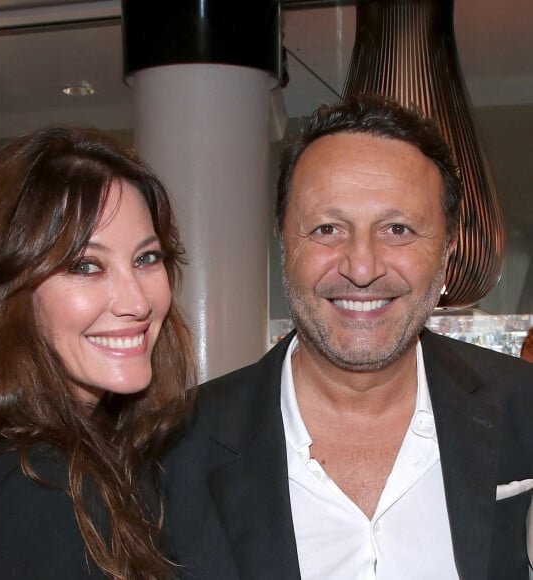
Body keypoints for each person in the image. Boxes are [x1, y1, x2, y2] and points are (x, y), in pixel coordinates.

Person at [161, 94, 533, 580]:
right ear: (284, 243)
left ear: (446, 251)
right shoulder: (173, 451)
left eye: (397, 229)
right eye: (327, 228)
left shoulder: (522, 408)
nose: (361, 267)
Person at [0, 128, 196, 579]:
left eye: (146, 259)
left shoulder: (26, 456)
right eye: (86, 266)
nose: (137, 302)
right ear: (8, 293)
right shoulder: (39, 490)